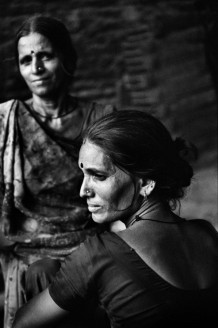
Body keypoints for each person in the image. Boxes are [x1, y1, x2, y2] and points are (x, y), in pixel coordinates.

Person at [12, 110, 218, 328]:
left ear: (146, 183)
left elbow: (22, 323)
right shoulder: (207, 235)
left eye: (98, 176)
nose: (83, 191)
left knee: (42, 273)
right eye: (84, 174)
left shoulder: (99, 254)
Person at [0, 14, 115, 328]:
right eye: (26, 60)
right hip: (32, 249)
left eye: (45, 56)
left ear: (66, 59)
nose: (35, 69)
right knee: (44, 274)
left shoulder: (100, 117)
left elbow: (120, 188)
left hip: (91, 238)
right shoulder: (7, 119)